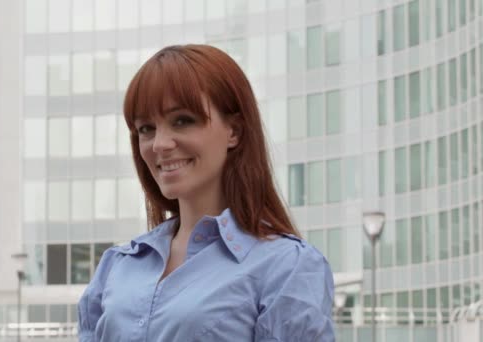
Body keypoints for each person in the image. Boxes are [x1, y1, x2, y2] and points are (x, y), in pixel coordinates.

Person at [78, 44, 335, 341]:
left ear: (234, 131)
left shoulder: (287, 266)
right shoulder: (117, 266)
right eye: (146, 128)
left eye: (182, 121)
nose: (159, 144)